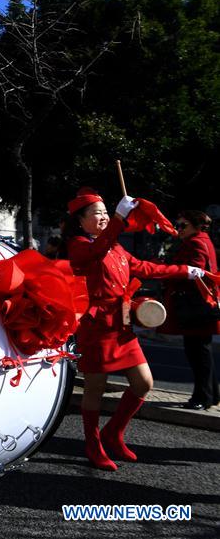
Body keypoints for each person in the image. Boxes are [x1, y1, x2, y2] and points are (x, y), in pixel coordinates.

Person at [63, 188, 202, 471]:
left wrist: (185, 271)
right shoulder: (79, 244)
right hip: (96, 325)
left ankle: (113, 432)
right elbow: (96, 250)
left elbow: (145, 268)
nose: (102, 217)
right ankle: (92, 443)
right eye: (96, 213)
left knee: (144, 383)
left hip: (121, 323)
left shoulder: (115, 245)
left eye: (105, 212)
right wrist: (117, 218)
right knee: (95, 388)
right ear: (80, 220)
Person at [163, 210, 219, 410]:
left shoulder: (195, 243)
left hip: (195, 306)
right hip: (201, 305)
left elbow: (193, 271)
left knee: (197, 354)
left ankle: (202, 397)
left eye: (183, 225)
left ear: (196, 226)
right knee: (202, 352)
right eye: (178, 225)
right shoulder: (204, 240)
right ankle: (210, 395)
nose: (179, 229)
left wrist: (169, 273)